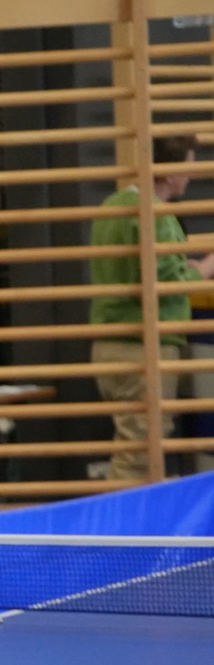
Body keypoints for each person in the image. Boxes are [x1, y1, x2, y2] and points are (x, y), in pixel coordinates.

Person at [89, 135, 214, 480]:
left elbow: (142, 270)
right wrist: (207, 267)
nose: (190, 176)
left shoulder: (112, 206)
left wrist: (184, 266)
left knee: (134, 444)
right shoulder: (155, 215)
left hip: (108, 346)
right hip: (142, 347)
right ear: (169, 172)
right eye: (187, 167)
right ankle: (125, 516)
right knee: (140, 454)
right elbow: (167, 284)